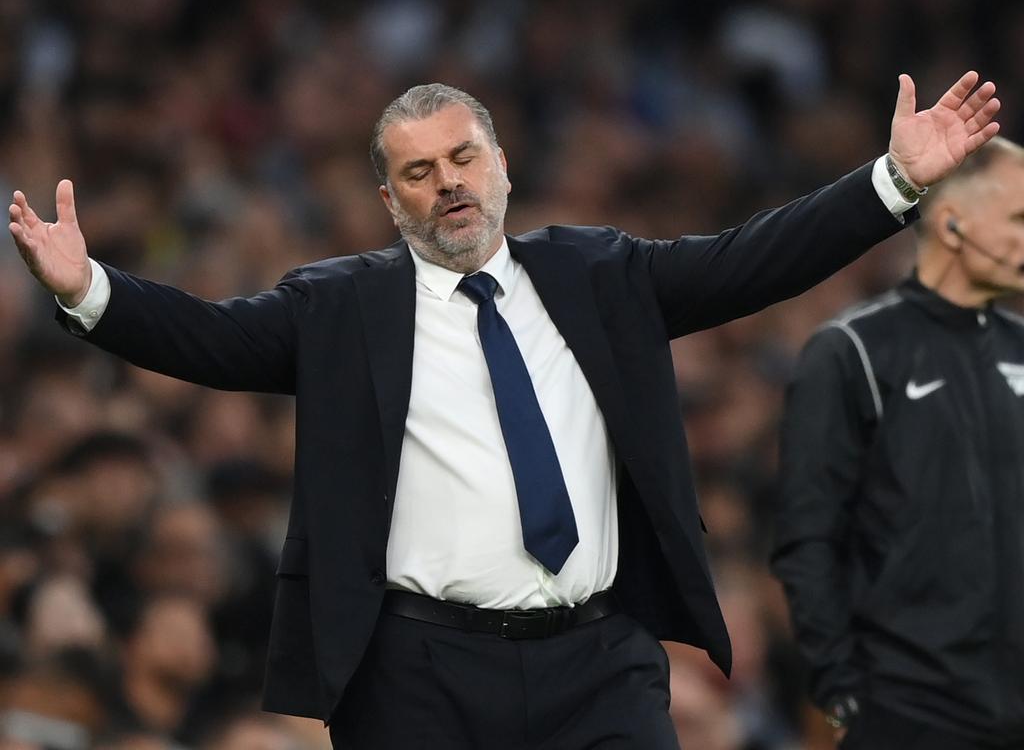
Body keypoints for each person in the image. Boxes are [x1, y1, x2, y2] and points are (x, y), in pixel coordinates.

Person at [8, 72, 999, 749]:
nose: (449, 184)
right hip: (418, 673)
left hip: (600, 658)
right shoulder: (342, 307)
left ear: (500, 164)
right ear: (389, 202)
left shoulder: (601, 273)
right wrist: (88, 287)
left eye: (463, 157)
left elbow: (754, 260)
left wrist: (895, 181)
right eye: (419, 172)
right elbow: (209, 340)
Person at [772, 136, 1024, 749]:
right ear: (952, 222)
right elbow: (807, 539)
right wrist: (840, 689)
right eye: (1019, 218)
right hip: (907, 708)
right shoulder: (853, 352)